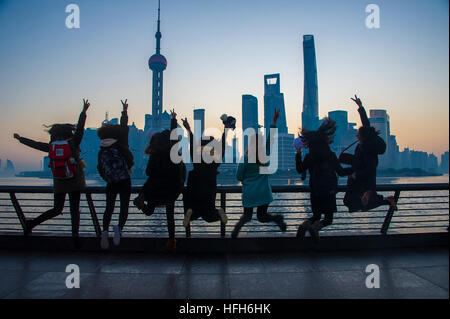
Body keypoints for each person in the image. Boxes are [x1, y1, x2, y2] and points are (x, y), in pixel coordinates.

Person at [13, 99, 90, 248]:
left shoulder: (51, 146)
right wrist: (83, 112)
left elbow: (35, 144)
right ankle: (75, 237)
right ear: (68, 132)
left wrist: (20, 139)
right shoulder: (73, 143)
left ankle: (31, 224)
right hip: (75, 180)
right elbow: (80, 129)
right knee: (75, 209)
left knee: (56, 209)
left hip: (60, 179)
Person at [133, 109, 185, 252]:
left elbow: (148, 172)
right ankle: (171, 241)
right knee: (170, 217)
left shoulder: (155, 154)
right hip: (171, 190)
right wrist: (174, 119)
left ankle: (142, 200)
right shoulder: (174, 153)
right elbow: (174, 137)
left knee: (150, 209)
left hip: (155, 190)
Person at [295, 118, 353, 241]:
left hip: (315, 190)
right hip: (329, 190)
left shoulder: (310, 156)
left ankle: (305, 225)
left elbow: (300, 169)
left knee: (316, 215)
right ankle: (315, 229)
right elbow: (341, 172)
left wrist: (298, 154)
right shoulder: (330, 155)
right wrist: (353, 170)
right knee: (328, 219)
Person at [231, 110, 287, 238]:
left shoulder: (246, 158)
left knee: (247, 216)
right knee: (262, 217)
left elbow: (239, 176)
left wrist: (246, 180)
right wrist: (274, 120)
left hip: (250, 192)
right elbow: (271, 138)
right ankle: (277, 219)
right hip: (263, 192)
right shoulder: (265, 154)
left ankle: (235, 232)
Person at [342, 95, 397, 212]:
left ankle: (385, 200)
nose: (356, 135)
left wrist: (357, 175)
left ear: (363, 136)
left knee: (352, 202)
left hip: (362, 182)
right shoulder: (366, 142)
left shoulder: (366, 148)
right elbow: (366, 123)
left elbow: (370, 167)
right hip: (361, 181)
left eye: (358, 133)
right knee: (353, 202)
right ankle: (384, 200)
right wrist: (360, 107)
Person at [180, 115, 230, 228]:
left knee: (193, 211)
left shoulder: (197, 156)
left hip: (194, 184)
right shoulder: (215, 158)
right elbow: (222, 144)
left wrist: (188, 129)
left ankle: (190, 212)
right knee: (209, 215)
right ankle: (218, 213)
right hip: (209, 184)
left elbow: (192, 142)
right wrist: (225, 130)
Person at [97, 99, 134, 249]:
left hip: (111, 182)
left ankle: (104, 232)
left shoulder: (102, 148)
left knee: (109, 208)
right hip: (125, 179)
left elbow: (100, 167)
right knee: (124, 207)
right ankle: (118, 229)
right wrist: (124, 112)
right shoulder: (120, 143)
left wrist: (107, 178)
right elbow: (124, 128)